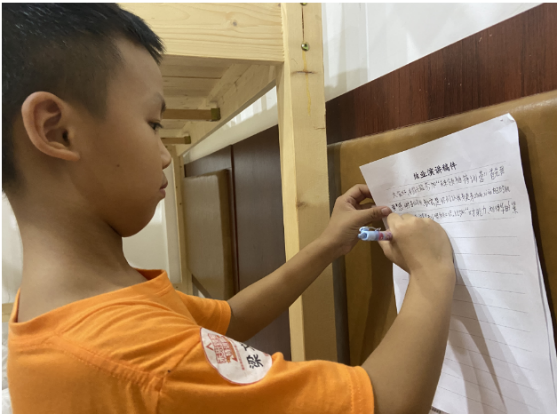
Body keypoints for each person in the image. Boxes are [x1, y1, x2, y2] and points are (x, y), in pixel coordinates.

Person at [2, 4, 456, 414]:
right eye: (153, 123)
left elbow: (231, 318)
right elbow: (384, 404)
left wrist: (327, 246)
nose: (164, 155)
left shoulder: (67, 306)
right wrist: (431, 271)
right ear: (57, 131)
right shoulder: (133, 356)